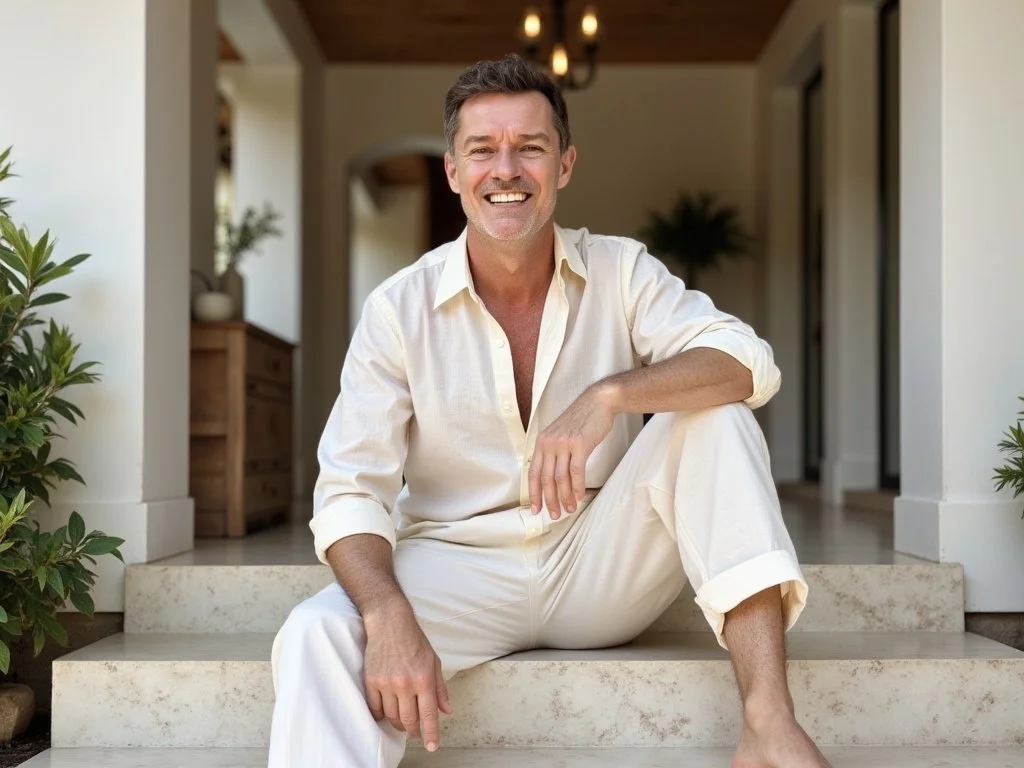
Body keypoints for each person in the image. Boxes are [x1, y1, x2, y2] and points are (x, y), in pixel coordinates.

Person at [269, 54, 830, 768]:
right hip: (458, 568)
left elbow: (747, 362)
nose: (506, 169)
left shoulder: (621, 269)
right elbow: (350, 494)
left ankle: (768, 723)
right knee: (316, 631)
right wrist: (384, 614)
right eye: (483, 150)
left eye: (529, 148)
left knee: (716, 414)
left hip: (600, 562)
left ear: (563, 165)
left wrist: (611, 395)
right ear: (452, 171)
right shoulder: (397, 309)